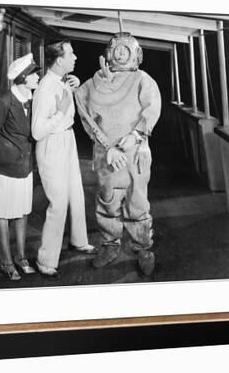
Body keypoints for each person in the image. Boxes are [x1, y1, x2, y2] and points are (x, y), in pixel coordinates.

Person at [75, 32, 161, 276]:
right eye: (117, 48)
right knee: (107, 200)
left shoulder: (143, 80)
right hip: (106, 155)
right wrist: (106, 146)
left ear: (137, 53)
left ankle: (143, 248)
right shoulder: (93, 83)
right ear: (108, 52)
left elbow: (152, 108)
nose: (121, 52)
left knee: (137, 202)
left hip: (134, 154)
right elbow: (84, 113)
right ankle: (110, 246)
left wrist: (136, 136)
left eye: (127, 48)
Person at [31, 39, 97, 279]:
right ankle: (46, 259)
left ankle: (79, 240)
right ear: (59, 60)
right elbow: (37, 131)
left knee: (76, 194)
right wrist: (60, 112)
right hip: (52, 144)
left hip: (67, 140)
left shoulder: (63, 82)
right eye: (71, 54)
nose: (76, 58)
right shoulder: (45, 88)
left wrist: (75, 87)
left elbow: (72, 105)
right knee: (58, 204)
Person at [0, 53, 40, 281]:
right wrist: (0, 157)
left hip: (25, 167)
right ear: (24, 77)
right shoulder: (5, 101)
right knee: (2, 214)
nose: (38, 77)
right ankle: (6, 261)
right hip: (4, 168)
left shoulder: (32, 99)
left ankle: (20, 256)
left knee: (22, 211)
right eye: (35, 74)